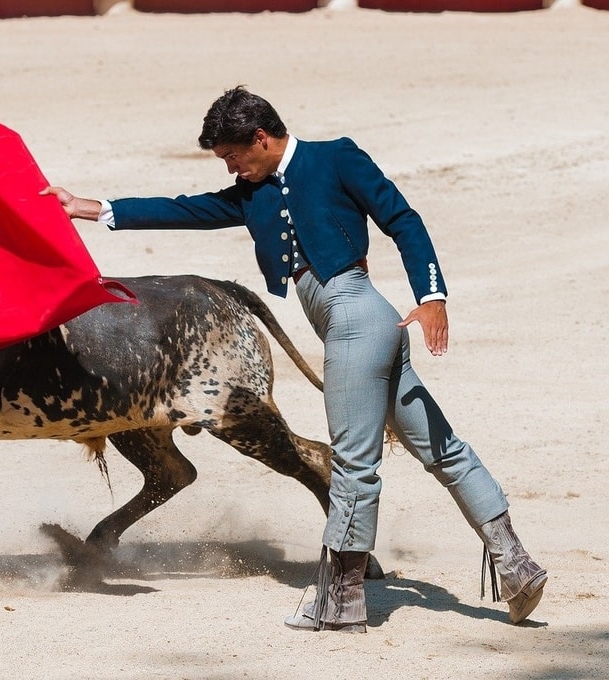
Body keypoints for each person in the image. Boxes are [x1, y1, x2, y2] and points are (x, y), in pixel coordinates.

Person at [42, 86, 546, 632]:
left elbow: (403, 219)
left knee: (355, 462)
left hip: (357, 321)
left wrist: (432, 298)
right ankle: (517, 564)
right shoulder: (250, 192)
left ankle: (342, 601)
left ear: (261, 138)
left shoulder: (336, 156)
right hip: (362, 328)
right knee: (441, 448)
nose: (231, 166)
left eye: (233, 154)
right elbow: (184, 209)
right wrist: (88, 209)